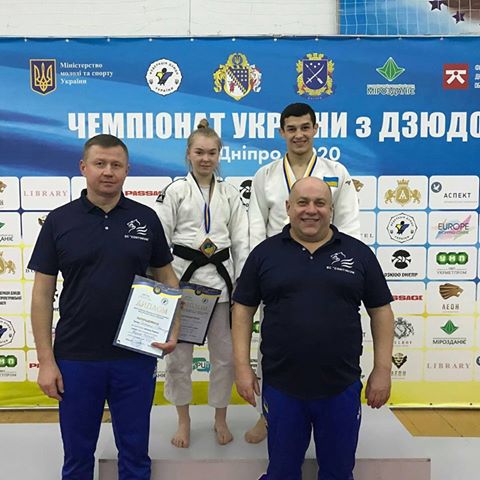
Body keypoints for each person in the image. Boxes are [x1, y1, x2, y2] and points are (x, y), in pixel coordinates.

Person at [29, 134, 179, 480]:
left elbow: (168, 278)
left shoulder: (146, 218)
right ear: (84, 167)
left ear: (127, 170)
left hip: (135, 356)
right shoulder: (59, 221)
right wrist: (46, 361)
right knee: (78, 456)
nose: (108, 171)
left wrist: (173, 326)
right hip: (76, 358)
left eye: (116, 165)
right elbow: (41, 295)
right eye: (100, 164)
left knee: (135, 454)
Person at [232, 177, 394, 480]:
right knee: (281, 473)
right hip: (282, 387)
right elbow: (242, 309)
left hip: (340, 386)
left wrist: (383, 369)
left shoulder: (358, 253)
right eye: (302, 202)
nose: (311, 210)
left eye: (320, 203)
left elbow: (381, 312)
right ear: (288, 207)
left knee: (338, 473)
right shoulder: (265, 254)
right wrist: (242, 367)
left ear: (331, 208)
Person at [246, 102, 361, 443]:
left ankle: (332, 410)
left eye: (305, 127)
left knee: (331, 337)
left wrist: (348, 269)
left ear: (315, 129)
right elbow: (255, 226)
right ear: (282, 132)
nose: (299, 134)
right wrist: (258, 271)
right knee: (271, 343)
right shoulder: (265, 175)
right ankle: (267, 415)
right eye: (292, 128)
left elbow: (349, 223)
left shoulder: (336, 172)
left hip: (329, 267)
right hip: (277, 271)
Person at [155, 119, 249, 448]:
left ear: (219, 155)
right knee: (178, 359)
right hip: (183, 284)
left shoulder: (230, 193)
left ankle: (220, 418)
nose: (205, 158)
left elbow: (241, 241)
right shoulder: (175, 191)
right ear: (188, 154)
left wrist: (242, 286)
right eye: (199, 152)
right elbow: (160, 240)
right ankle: (184, 420)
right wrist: (164, 286)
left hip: (221, 286)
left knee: (224, 357)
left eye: (211, 153)